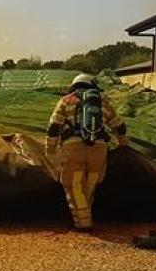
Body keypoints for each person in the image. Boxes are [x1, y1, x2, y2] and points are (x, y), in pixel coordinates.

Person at [45, 74, 129, 230]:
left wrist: (49, 150)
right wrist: (124, 144)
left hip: (73, 149)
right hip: (99, 150)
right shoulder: (103, 102)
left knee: (74, 186)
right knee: (90, 185)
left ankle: (83, 223)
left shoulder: (66, 101)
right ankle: (84, 216)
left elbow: (54, 127)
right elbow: (119, 126)